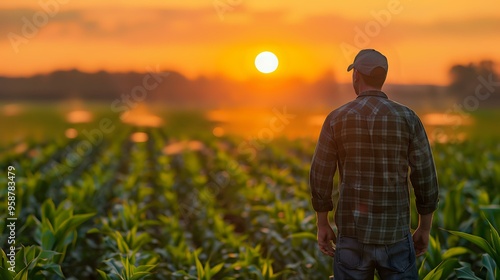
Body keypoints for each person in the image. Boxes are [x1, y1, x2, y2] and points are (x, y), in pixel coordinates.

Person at [309, 49, 439, 279]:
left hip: (352, 235)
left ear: (356, 76)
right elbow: (425, 175)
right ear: (383, 78)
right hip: (397, 234)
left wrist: (322, 223)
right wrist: (424, 227)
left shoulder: (336, 118)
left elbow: (321, 174)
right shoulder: (408, 118)